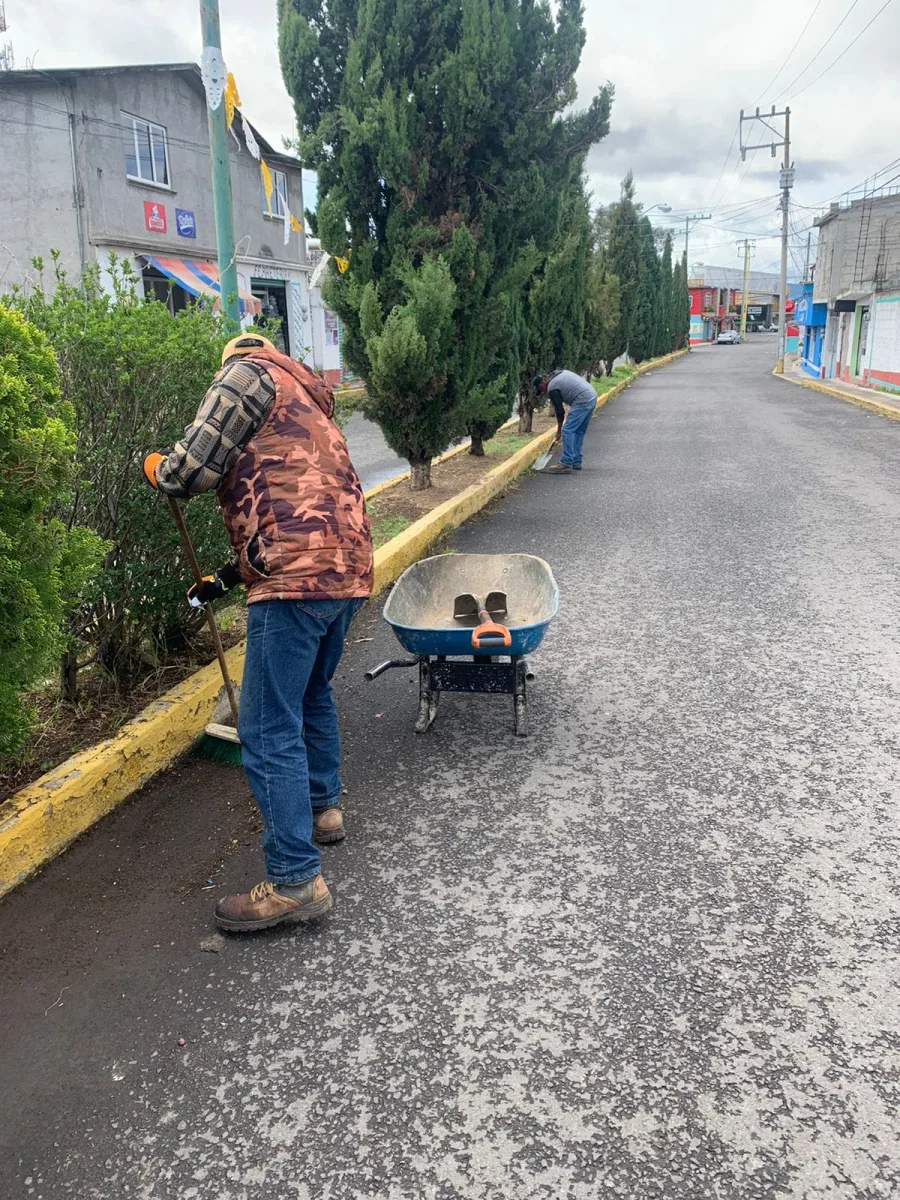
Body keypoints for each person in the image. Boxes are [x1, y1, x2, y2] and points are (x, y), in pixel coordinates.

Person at [143, 334, 373, 933]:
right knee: (311, 694)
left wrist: (155, 468)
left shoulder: (246, 375)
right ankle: (324, 811)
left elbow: (188, 471)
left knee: (267, 725)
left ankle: (296, 879)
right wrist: (220, 581)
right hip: (346, 569)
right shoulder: (306, 396)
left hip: (294, 579)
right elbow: (289, 501)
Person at [532, 370, 599, 474]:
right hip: (592, 396)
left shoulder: (552, 387)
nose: (543, 392)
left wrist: (559, 431)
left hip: (582, 400)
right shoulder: (558, 374)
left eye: (541, 389)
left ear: (543, 383)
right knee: (578, 431)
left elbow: (559, 411)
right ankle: (576, 461)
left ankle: (566, 463)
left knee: (567, 430)